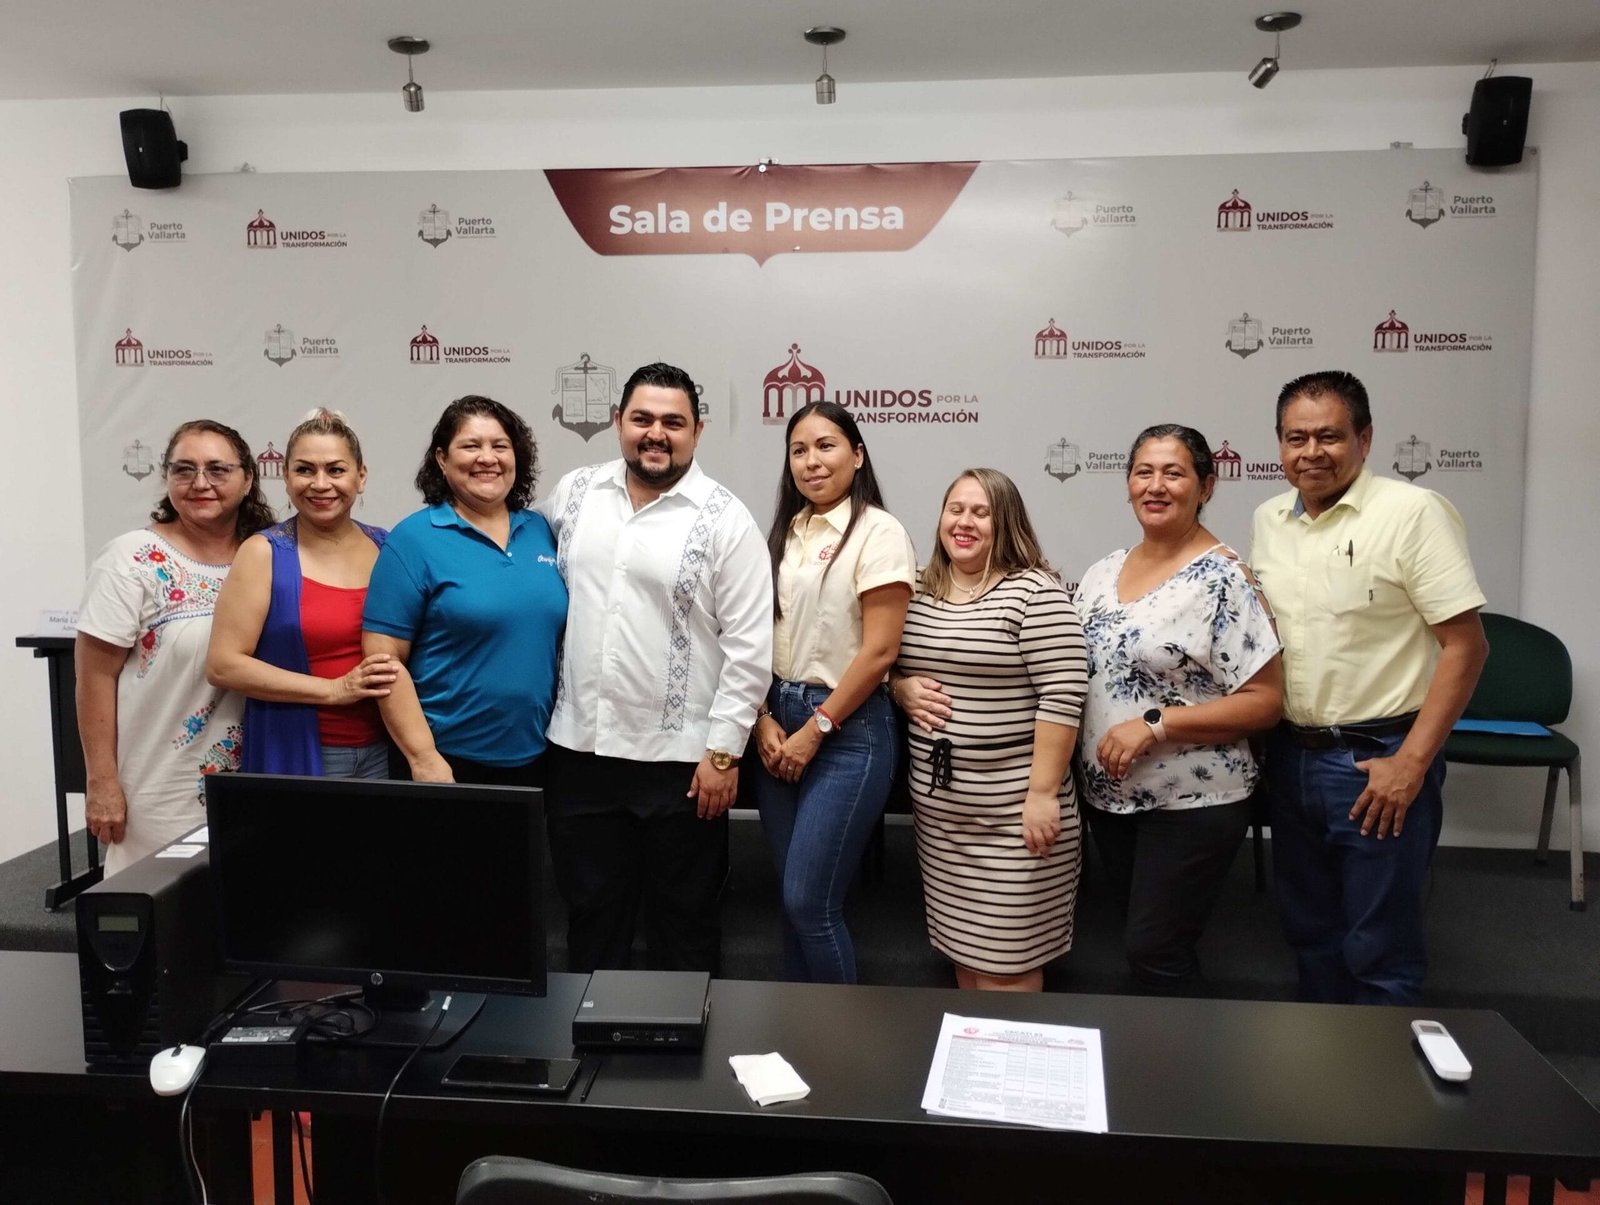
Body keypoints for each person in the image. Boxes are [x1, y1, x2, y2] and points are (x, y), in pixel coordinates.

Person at [1250, 371, 1488, 1005]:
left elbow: (1466, 646)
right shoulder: (1268, 520)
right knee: (1310, 935)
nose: (1312, 452)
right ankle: (1322, 1064)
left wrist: (1412, 763)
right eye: (1296, 438)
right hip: (1292, 758)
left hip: (1378, 762)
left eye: (1329, 436)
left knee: (1380, 948)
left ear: (1365, 438)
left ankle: (1380, 1071)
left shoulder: (1412, 513)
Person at [538, 363, 772, 974]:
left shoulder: (726, 519)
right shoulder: (574, 494)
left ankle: (683, 1037)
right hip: (580, 754)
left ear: (697, 430)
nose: (656, 434)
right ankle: (592, 1035)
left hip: (683, 767)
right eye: (642, 419)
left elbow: (750, 649)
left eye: (673, 422)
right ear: (618, 422)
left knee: (684, 926)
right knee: (591, 920)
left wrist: (724, 754)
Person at [1075, 425, 1283, 994]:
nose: (1156, 485)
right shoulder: (1102, 571)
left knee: (1156, 950)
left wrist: (1156, 725)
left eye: (1174, 473)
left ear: (1206, 487)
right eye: (1143, 472)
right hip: (1110, 800)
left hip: (1193, 801)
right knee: (1140, 941)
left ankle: (1184, 1050)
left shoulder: (1225, 579)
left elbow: (1265, 702)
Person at [891, 468, 1086, 991]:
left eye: (981, 513)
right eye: (955, 509)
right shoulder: (919, 588)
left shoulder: (1035, 593)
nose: (964, 522)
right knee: (966, 959)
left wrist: (1042, 795)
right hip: (942, 818)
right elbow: (884, 660)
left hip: (1016, 816)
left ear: (1006, 522)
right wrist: (900, 688)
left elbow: (1064, 694)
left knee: (1008, 968)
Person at [753, 401, 916, 985]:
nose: (812, 461)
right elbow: (755, 636)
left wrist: (816, 729)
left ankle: (838, 1036)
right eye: (799, 450)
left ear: (858, 454)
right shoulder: (785, 533)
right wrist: (762, 718)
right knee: (790, 902)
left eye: (826, 446)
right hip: (778, 719)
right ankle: (796, 1031)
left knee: (810, 903)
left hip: (847, 729)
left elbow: (880, 652)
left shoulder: (879, 532)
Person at [75, 419, 277, 875]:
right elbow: (93, 677)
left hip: (258, 778)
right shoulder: (130, 559)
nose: (200, 483)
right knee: (165, 906)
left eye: (217, 469)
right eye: (184, 469)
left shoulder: (271, 556)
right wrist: (101, 782)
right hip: (160, 791)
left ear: (248, 479)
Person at [362, 395, 567, 786]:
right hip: (446, 762)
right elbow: (383, 661)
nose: (487, 458)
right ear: (442, 459)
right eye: (471, 446)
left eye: (500, 446)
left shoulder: (542, 530)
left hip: (538, 758)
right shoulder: (413, 539)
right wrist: (423, 758)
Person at [206, 410, 397, 779]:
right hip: (299, 753)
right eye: (305, 470)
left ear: (361, 476)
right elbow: (223, 664)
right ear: (286, 476)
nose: (320, 484)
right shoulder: (263, 552)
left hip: (385, 751)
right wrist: (333, 690)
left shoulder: (386, 546)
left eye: (336, 470)